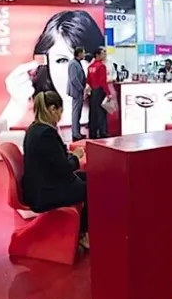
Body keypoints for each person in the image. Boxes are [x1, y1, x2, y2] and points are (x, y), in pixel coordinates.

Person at [2, 10, 105, 128]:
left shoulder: (109, 112)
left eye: (86, 58)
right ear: (47, 64)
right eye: (62, 60)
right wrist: (16, 104)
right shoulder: (35, 118)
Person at [22, 91, 88, 250]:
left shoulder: (34, 129)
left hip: (40, 185)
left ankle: (81, 230)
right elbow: (65, 169)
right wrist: (76, 157)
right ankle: (82, 233)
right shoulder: (47, 134)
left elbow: (55, 161)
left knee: (87, 177)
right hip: (45, 193)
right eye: (60, 111)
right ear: (53, 109)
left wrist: (69, 157)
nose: (60, 116)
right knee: (92, 189)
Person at [87, 47, 110, 139]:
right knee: (101, 113)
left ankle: (92, 133)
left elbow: (88, 80)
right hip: (100, 91)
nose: (104, 55)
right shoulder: (101, 66)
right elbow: (103, 82)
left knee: (93, 113)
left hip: (93, 91)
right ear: (97, 55)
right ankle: (102, 132)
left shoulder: (90, 66)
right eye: (103, 53)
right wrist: (108, 93)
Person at [67, 46, 86, 142]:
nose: (84, 55)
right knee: (76, 113)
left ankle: (77, 132)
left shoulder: (77, 63)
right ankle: (75, 133)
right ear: (79, 53)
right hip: (76, 92)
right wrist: (81, 88)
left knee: (78, 113)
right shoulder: (73, 64)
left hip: (78, 91)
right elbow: (74, 78)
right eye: (83, 53)